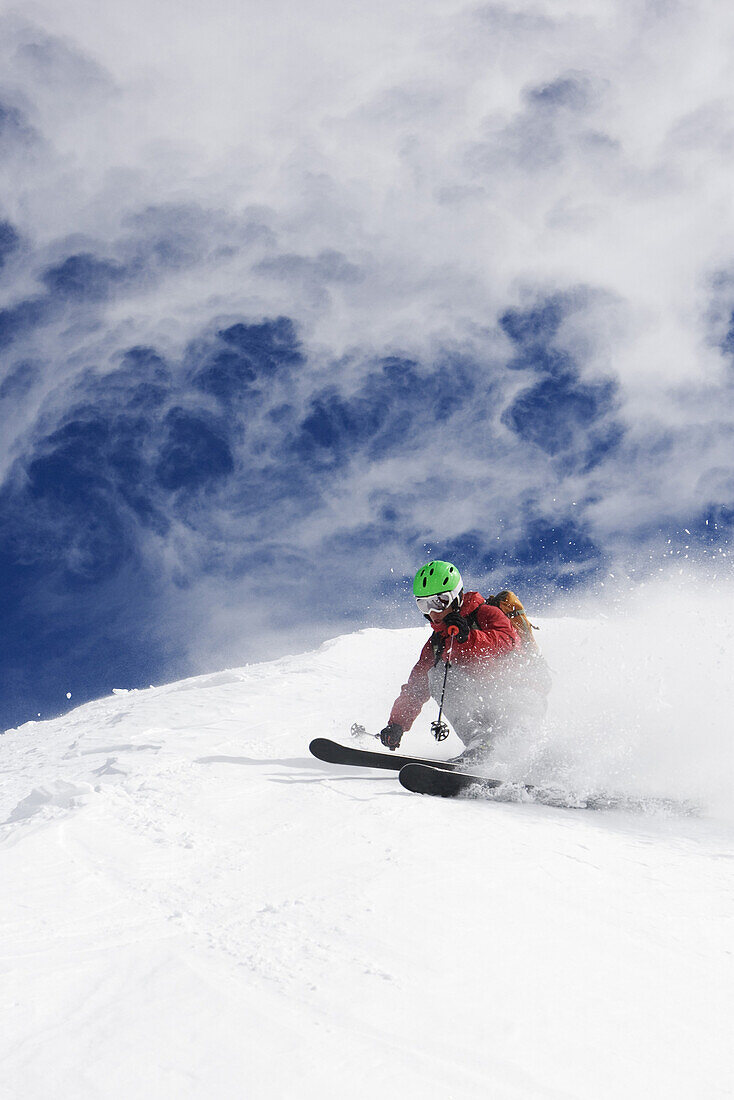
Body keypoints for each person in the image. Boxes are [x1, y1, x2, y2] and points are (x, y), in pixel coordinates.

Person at [379, 560, 550, 760]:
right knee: (436, 674)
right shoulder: (437, 643)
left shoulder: (485, 613)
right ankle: (479, 744)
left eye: (439, 601)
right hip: (485, 711)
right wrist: (397, 724)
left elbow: (509, 641)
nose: (432, 612)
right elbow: (417, 687)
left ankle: (544, 766)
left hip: (520, 697)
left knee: (517, 745)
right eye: (423, 604)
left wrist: (468, 637)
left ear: (456, 598)